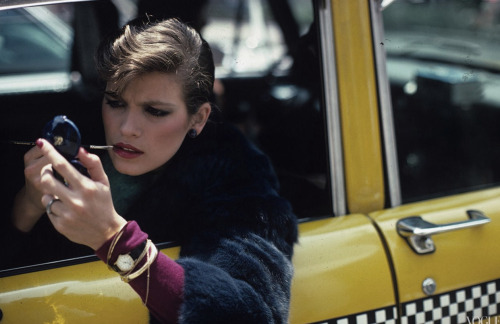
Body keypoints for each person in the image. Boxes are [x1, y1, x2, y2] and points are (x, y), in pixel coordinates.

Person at [9, 17, 298, 323]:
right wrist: (28, 203)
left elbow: (249, 314)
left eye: (155, 111)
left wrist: (115, 240)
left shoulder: (235, 174)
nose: (127, 128)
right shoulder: (75, 141)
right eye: (115, 102)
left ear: (198, 119)